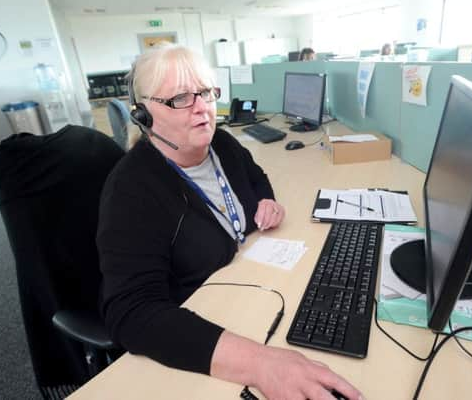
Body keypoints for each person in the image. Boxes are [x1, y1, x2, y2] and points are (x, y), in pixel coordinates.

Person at [97, 44, 364, 400]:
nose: (202, 109)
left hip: (252, 286)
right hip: (202, 322)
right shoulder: (131, 190)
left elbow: (256, 176)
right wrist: (261, 364)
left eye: (206, 93)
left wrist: (267, 198)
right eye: (180, 98)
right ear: (144, 114)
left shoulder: (220, 142)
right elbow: (131, 313)